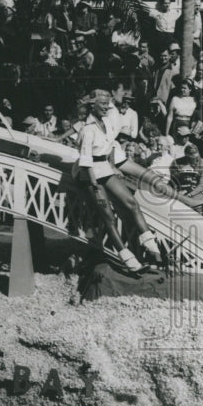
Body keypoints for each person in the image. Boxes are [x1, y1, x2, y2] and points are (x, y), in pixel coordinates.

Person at [74, 89, 163, 272]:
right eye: (103, 104)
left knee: (131, 203)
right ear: (93, 106)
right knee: (108, 217)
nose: (107, 107)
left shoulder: (107, 121)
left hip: (104, 168)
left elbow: (113, 106)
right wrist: (96, 188)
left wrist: (110, 95)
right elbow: (86, 162)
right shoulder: (87, 130)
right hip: (89, 174)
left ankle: (151, 245)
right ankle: (127, 258)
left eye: (108, 104)